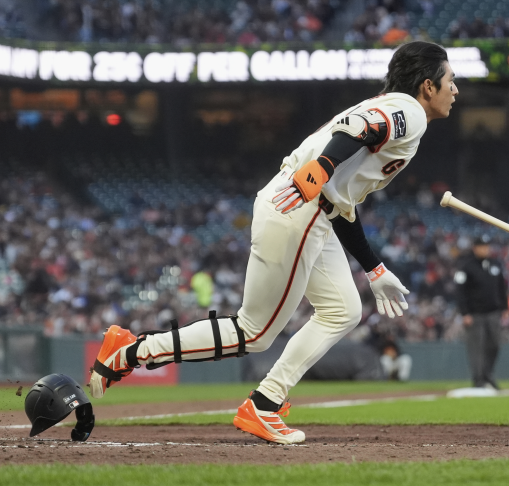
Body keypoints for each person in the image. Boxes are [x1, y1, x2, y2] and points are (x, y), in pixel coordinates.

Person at [88, 41, 458, 445]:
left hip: (312, 206)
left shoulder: (394, 106)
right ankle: (132, 351)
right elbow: (360, 129)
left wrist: (374, 268)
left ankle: (266, 400)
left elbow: (342, 204)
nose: (455, 90)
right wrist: (323, 167)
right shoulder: (409, 111)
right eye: (450, 81)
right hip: (302, 206)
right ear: (428, 86)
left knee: (343, 310)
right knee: (254, 332)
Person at [453, 235, 508, 389]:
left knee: (494, 345)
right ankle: (478, 379)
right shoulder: (466, 266)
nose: (485, 249)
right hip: (475, 314)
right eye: (482, 246)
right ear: (475, 248)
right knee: (477, 348)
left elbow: (502, 287)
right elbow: (460, 291)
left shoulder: (495, 264)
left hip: (493, 312)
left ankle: (488, 375)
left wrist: (504, 307)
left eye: (487, 246)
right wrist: (465, 313)